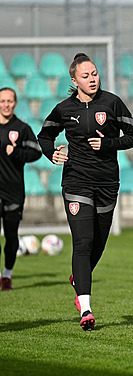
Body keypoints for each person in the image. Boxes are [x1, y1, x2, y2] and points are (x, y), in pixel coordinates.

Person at [38, 53, 133, 330]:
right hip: (76, 182)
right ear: (75, 80)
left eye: (94, 74)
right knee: (82, 242)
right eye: (86, 76)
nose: (92, 79)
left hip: (107, 183)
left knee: (98, 243)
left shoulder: (112, 103)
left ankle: (78, 278)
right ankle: (85, 308)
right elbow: (44, 135)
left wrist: (107, 143)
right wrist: (52, 153)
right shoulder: (63, 109)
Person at [0, 87, 42, 291]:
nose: (6, 104)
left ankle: (7, 274)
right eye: (2, 101)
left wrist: (16, 152)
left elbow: (36, 153)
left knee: (11, 236)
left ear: (15, 103)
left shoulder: (22, 128)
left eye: (9, 101)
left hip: (13, 190)